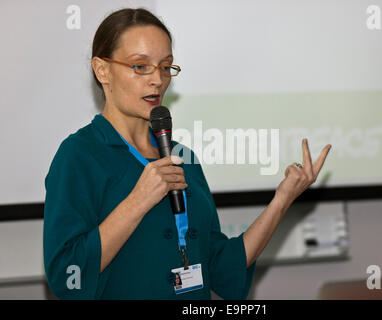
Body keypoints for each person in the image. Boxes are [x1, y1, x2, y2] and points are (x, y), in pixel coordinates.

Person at [43, 8, 331, 300]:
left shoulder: (184, 158)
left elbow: (221, 266)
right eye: (140, 66)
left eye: (165, 66)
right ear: (102, 70)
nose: (157, 80)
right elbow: (69, 276)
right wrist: (138, 201)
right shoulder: (79, 156)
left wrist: (283, 199)